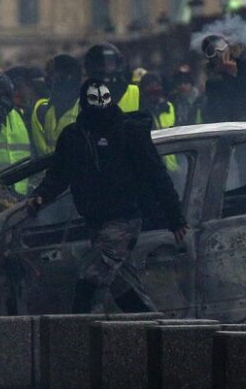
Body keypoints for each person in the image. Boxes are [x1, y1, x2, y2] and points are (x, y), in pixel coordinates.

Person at [27, 78, 187, 313]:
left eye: (105, 100)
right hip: (95, 223)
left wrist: (175, 217)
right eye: (95, 101)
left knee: (88, 282)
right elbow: (59, 174)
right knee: (125, 290)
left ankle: (74, 340)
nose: (101, 107)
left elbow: (157, 175)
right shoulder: (74, 137)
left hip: (123, 221)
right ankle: (158, 334)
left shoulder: (129, 132)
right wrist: (42, 195)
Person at [31, 55, 81, 155]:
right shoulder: (42, 110)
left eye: (51, 74)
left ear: (66, 77)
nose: (46, 79)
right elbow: (42, 150)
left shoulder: (83, 109)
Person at [85, 43, 140, 113]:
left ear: (117, 64)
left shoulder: (135, 92)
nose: (106, 68)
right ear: (92, 66)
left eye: (110, 64)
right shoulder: (83, 96)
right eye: (101, 64)